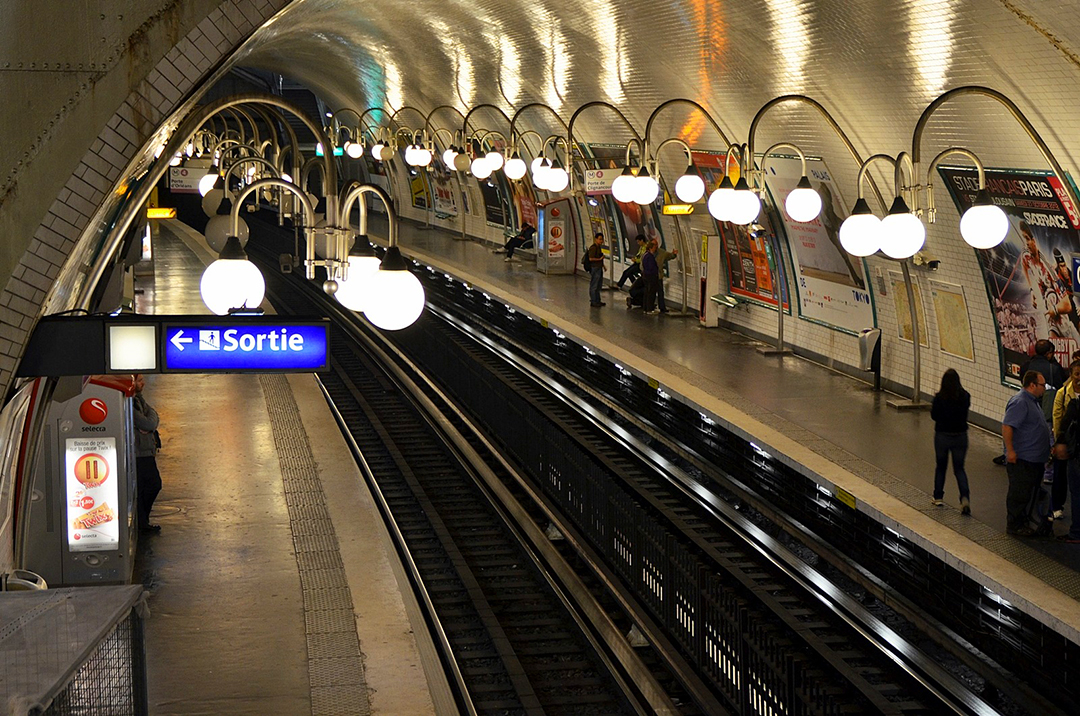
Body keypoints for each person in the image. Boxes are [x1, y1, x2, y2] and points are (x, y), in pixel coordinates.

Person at [1002, 370, 1052, 536]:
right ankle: (1014, 524)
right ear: (1032, 385)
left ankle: (1023, 521)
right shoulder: (1020, 402)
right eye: (1042, 385)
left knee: (1028, 492)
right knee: (1019, 492)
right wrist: (1010, 451)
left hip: (1034, 459)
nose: (1044, 388)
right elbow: (1008, 426)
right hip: (1023, 458)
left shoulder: (1032, 401)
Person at [930, 369, 971, 515]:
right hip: (960, 436)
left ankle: (938, 497)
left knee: (941, 467)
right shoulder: (965, 397)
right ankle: (964, 498)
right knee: (959, 469)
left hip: (942, 436)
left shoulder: (939, 398)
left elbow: (934, 416)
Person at [132, 374, 163, 533]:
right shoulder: (132, 402)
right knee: (152, 484)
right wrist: (150, 421)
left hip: (145, 451)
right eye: (140, 380)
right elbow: (149, 422)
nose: (143, 383)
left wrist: (151, 420)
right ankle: (141, 521)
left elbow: (152, 417)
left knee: (146, 487)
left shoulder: (138, 399)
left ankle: (143, 520)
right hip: (140, 453)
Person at [1051, 359, 1080, 518]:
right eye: (1076, 374)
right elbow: (1057, 418)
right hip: (1066, 442)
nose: (1079, 377)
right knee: (1060, 475)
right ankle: (1057, 506)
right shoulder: (1062, 394)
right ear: (1071, 375)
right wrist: (1059, 442)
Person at [654, 243, 679, 313]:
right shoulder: (647, 254)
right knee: (650, 292)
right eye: (654, 245)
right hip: (650, 275)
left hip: (658, 275)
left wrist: (673, 254)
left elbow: (669, 256)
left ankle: (662, 307)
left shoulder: (661, 252)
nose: (655, 246)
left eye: (656, 245)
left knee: (660, 291)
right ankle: (649, 306)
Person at [642, 240, 661, 315]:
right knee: (651, 293)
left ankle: (645, 308)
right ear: (651, 248)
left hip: (645, 275)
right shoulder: (650, 256)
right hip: (651, 276)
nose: (655, 248)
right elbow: (651, 267)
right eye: (654, 247)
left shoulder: (645, 255)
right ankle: (650, 309)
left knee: (647, 292)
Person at [587, 232, 606, 307]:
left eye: (602, 239)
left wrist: (603, 265)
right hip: (595, 268)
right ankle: (593, 301)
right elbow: (591, 258)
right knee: (594, 285)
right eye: (600, 239)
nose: (601, 241)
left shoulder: (598, 247)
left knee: (598, 285)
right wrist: (599, 259)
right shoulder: (593, 248)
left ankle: (598, 300)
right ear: (596, 239)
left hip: (599, 267)